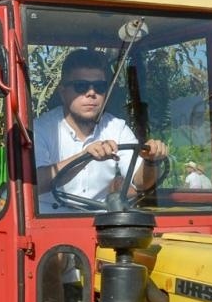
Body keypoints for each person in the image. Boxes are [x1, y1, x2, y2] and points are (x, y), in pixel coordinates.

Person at [32, 49, 169, 211]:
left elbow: (140, 183)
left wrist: (151, 161)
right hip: (47, 223)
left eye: (100, 87)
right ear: (63, 92)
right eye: (81, 86)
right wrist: (85, 157)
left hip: (100, 224)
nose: (91, 93)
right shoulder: (40, 129)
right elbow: (34, 184)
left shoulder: (117, 128)